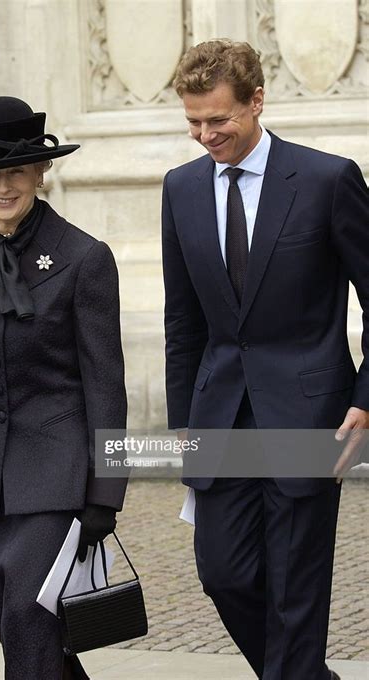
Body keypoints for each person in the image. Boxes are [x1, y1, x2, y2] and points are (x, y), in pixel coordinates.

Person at [162, 40, 368, 680]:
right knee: (223, 573)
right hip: (219, 418)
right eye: (194, 122)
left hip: (311, 418)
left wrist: (365, 399)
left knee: (295, 593)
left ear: (257, 101)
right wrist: (181, 432)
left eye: (218, 120)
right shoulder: (181, 188)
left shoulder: (328, 180)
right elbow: (183, 320)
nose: (205, 135)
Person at [0, 96, 128, 680]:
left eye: (15, 171)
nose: (2, 186)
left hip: (58, 478)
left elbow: (106, 385)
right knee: (17, 627)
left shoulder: (86, 258)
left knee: (29, 620)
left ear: (41, 171)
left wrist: (104, 493)